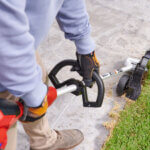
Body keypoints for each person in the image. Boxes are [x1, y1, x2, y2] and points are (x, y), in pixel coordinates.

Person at [0, 0, 100, 150]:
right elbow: (6, 39)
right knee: (6, 129)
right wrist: (33, 94)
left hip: (19, 47)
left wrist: (84, 44)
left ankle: (44, 141)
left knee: (39, 77)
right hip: (7, 54)